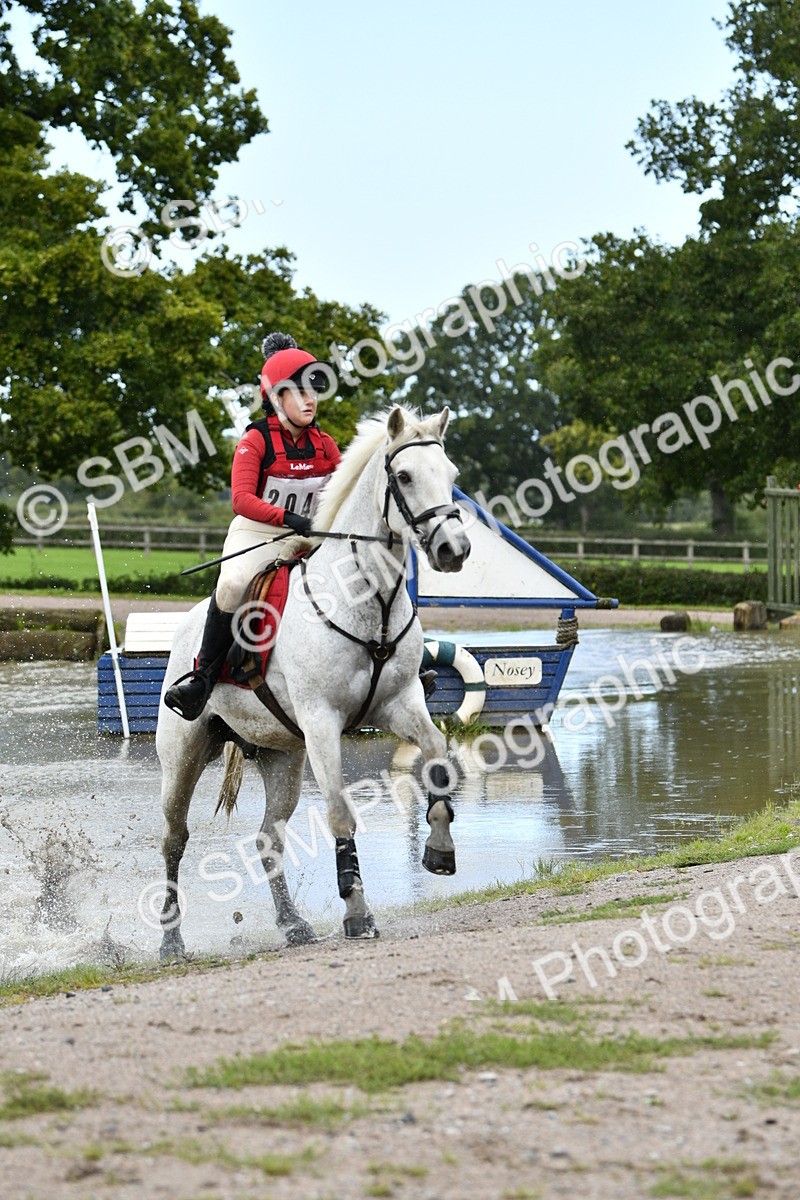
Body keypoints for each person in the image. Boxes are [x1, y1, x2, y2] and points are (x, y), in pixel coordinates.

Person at [164, 332, 340, 721]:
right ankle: (202, 678)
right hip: (258, 533)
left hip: (310, 537)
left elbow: (344, 492)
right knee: (231, 585)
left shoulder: (325, 444)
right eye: (299, 392)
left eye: (314, 391)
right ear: (277, 398)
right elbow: (241, 500)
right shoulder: (256, 439)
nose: (310, 400)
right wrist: (288, 518)